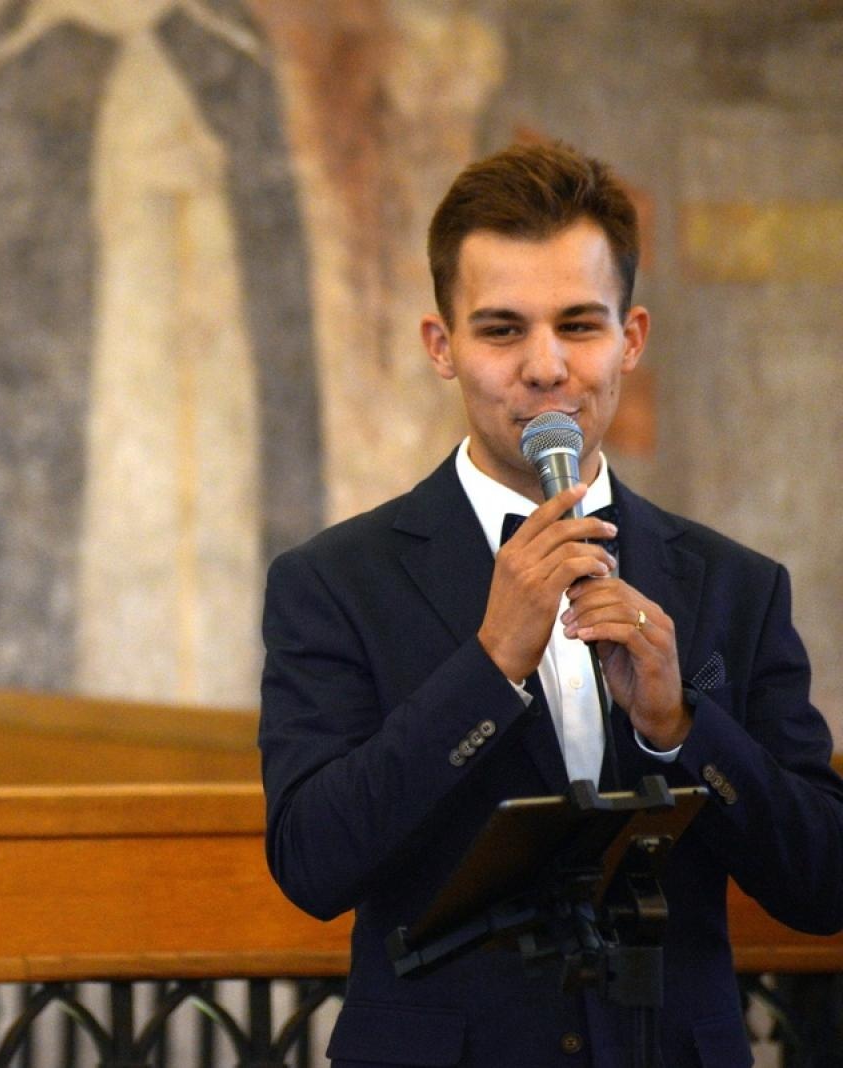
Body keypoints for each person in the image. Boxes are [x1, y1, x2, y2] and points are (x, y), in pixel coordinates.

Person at [259, 142, 843, 1067]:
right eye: (500, 330)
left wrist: (678, 725)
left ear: (632, 337)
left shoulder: (735, 584)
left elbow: (824, 883)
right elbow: (313, 864)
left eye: (579, 325)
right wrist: (489, 666)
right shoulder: (334, 580)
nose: (545, 367)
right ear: (441, 347)